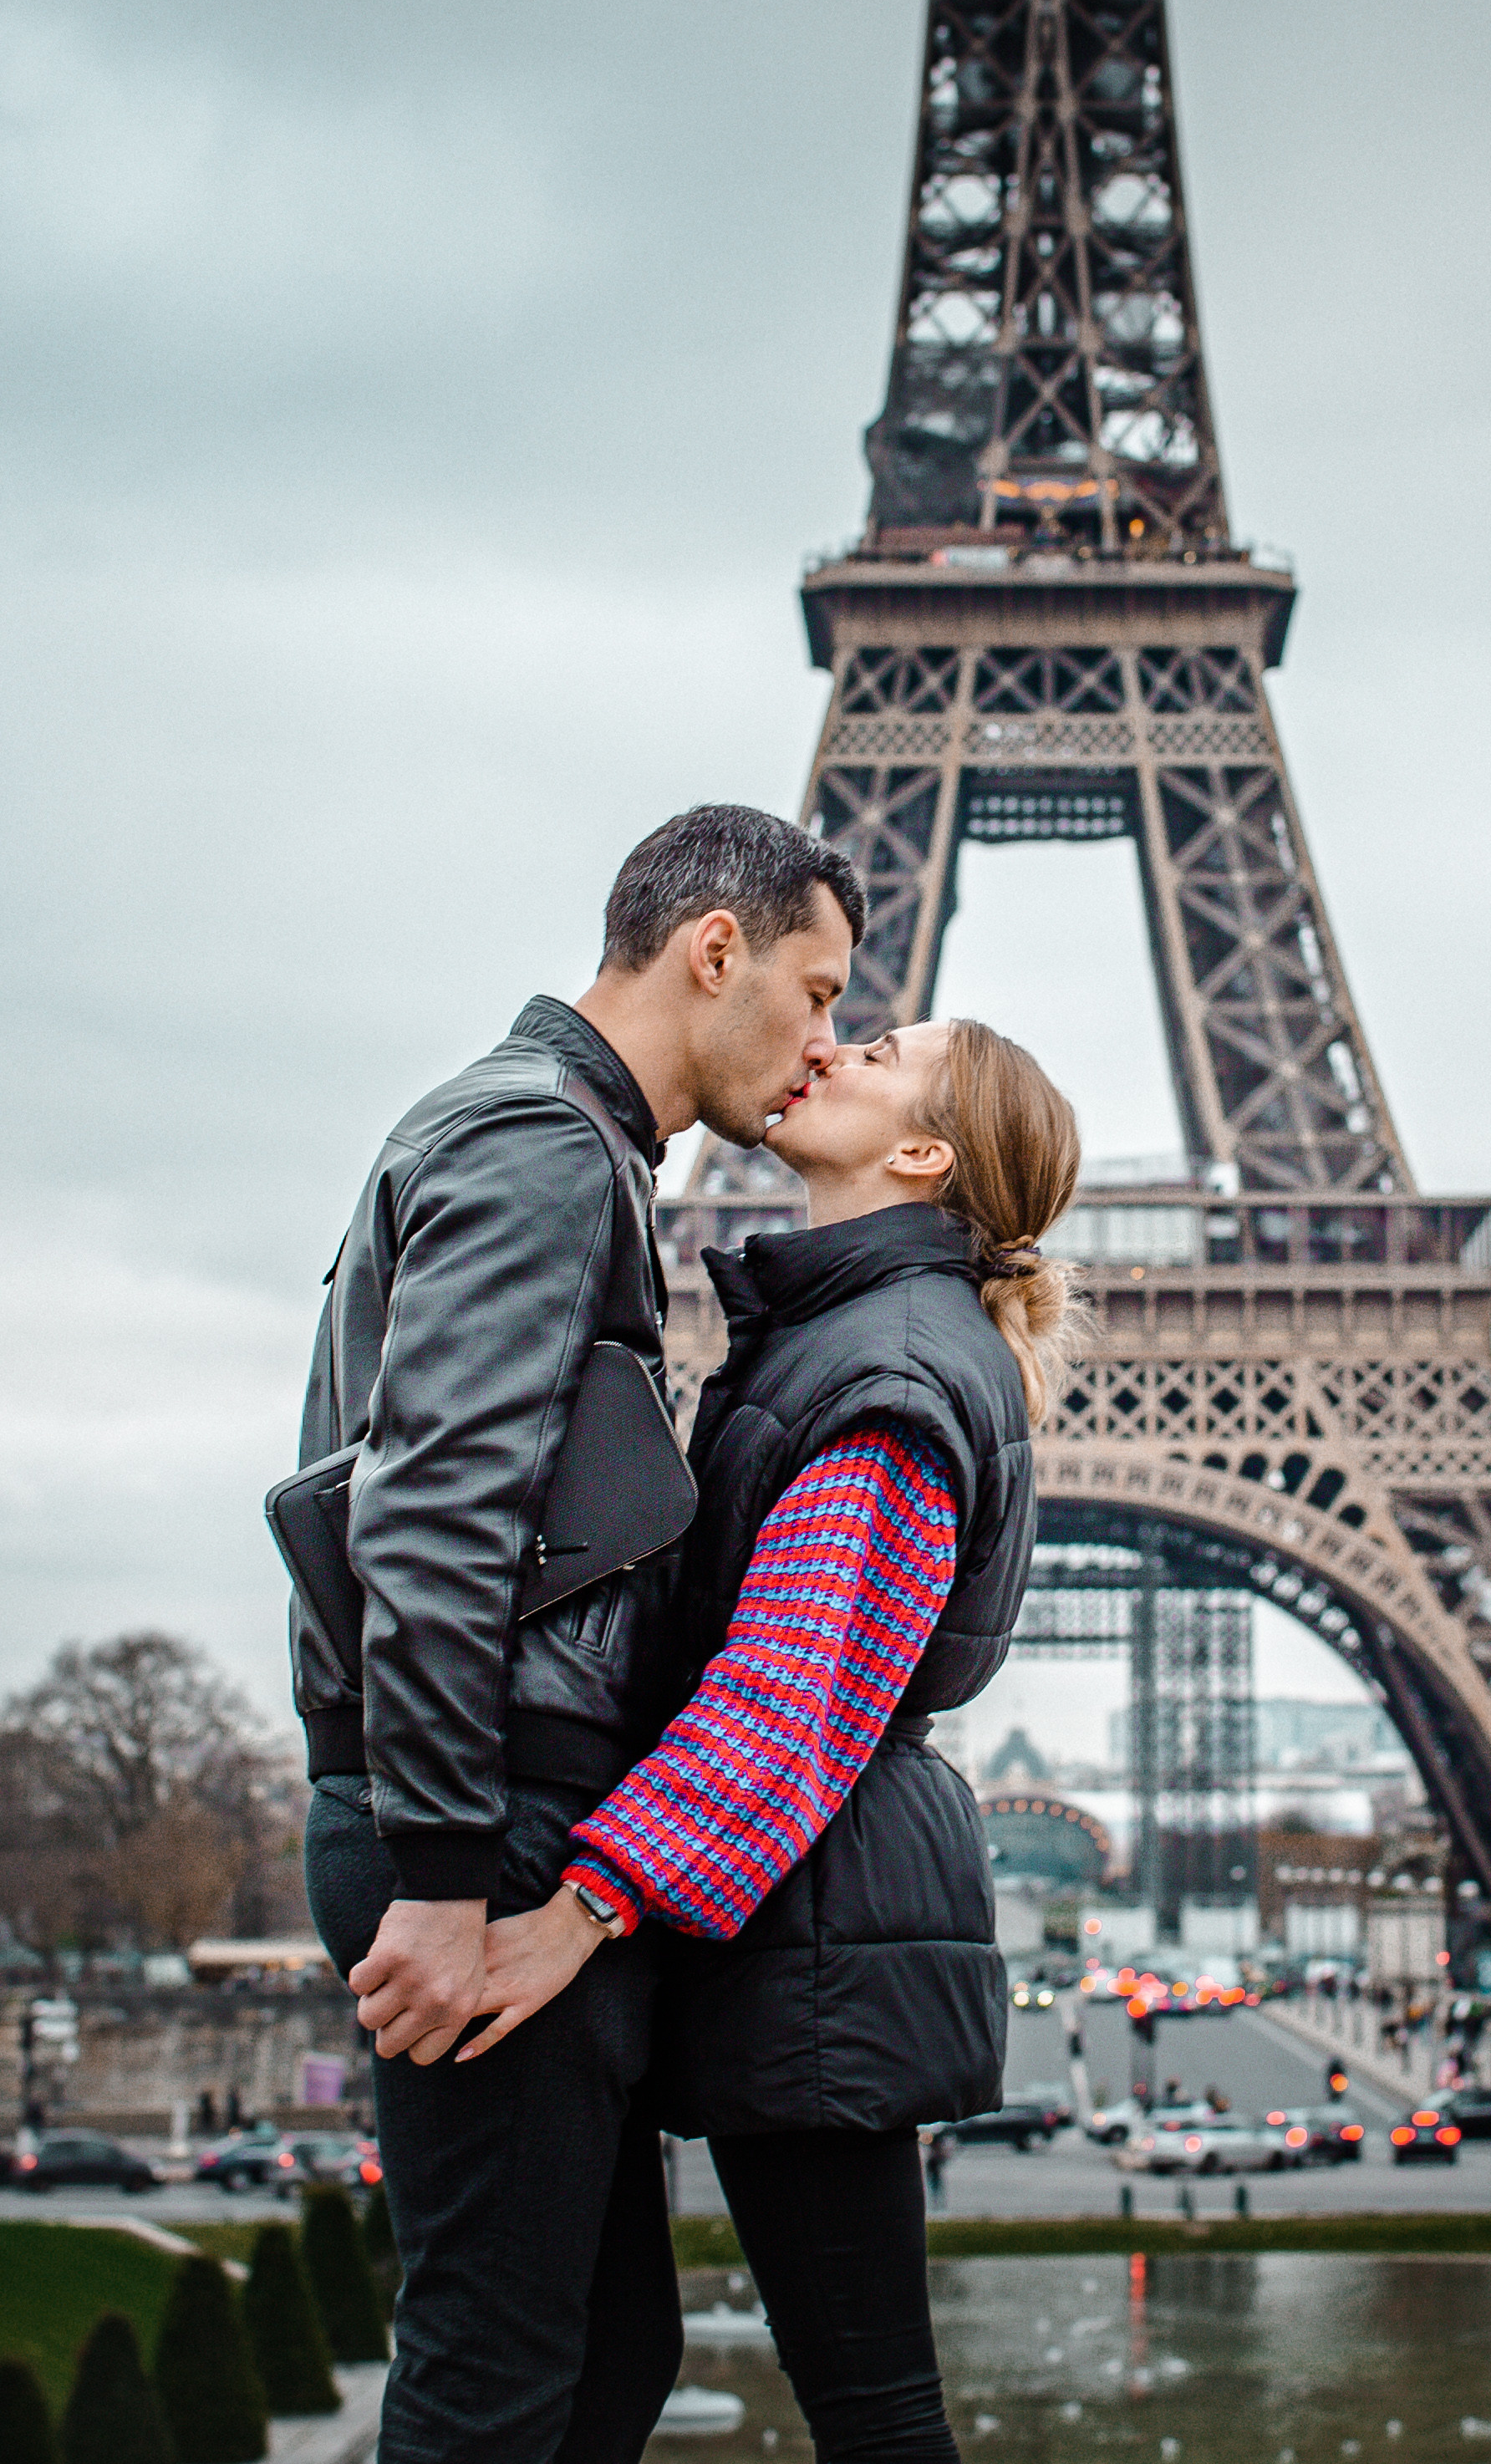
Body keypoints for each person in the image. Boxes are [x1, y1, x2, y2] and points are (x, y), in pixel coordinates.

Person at [298, 805, 864, 2464]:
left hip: (495, 1806)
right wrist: (448, 1872)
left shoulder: (538, 1136)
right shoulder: (542, 1145)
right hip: (488, 1817)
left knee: (606, 2356)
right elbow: (434, 1513)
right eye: (816, 992)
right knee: (503, 2375)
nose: (826, 1040)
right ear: (714, 952)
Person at [469, 1013, 1084, 2464]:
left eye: (872, 1049)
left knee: (875, 2418)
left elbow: (782, 1693)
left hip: (819, 1919)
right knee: (731, 2378)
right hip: (807, 1902)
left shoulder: (884, 1367)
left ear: (922, 1152)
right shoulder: (845, 1335)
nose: (825, 1049)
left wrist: (582, 1908)